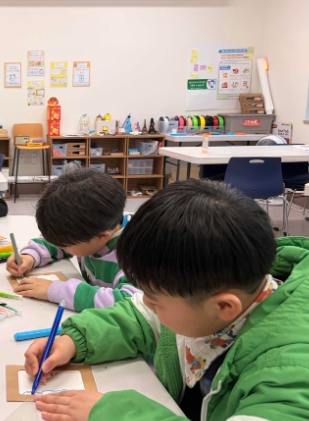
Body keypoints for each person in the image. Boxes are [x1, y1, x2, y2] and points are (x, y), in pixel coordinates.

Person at [25, 179, 309, 421]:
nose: (145, 302)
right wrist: (73, 341)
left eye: (155, 299)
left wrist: (116, 413)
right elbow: (141, 317)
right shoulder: (208, 295)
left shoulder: (289, 376)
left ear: (224, 306)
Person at [6, 169, 138, 311]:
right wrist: (31, 256)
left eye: (65, 244)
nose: (60, 245)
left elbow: (132, 305)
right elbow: (61, 238)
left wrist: (58, 291)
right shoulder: (94, 227)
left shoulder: (136, 256)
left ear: (102, 237)